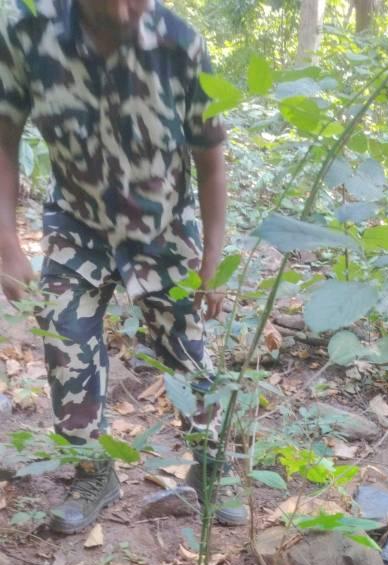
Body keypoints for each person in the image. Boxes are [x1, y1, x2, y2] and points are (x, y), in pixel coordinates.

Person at [0, 0, 245, 533]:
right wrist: (7, 242)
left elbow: (210, 161)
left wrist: (212, 258)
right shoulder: (29, 36)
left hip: (163, 228)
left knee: (188, 351)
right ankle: (92, 473)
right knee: (66, 341)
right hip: (76, 224)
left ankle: (211, 465)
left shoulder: (180, 44)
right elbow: (4, 138)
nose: (125, 8)